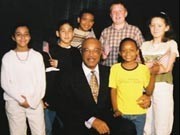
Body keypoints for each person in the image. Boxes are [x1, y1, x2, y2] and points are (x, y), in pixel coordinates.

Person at [56, 37, 140, 135]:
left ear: (101, 52)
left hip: (107, 120)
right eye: (87, 50)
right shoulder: (68, 75)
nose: (91, 55)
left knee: (127, 127)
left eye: (95, 50)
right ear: (81, 52)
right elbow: (64, 105)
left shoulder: (110, 72)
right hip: (80, 122)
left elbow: (128, 88)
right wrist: (92, 120)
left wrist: (146, 96)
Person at [1, 23, 46, 135]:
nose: (22, 38)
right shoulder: (7, 57)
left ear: (30, 37)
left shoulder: (37, 56)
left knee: (39, 132)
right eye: (18, 34)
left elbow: (41, 82)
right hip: (14, 102)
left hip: (34, 102)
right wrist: (21, 100)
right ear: (13, 37)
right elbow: (5, 83)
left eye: (26, 34)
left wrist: (32, 101)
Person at [109, 38, 159, 135]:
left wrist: (153, 74)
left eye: (131, 50)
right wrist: (115, 109)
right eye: (124, 50)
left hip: (139, 113)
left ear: (137, 52)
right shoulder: (115, 68)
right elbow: (113, 90)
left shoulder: (143, 69)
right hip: (122, 113)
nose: (128, 53)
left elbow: (148, 92)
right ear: (119, 53)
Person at [141, 12, 179, 135]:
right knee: (147, 122)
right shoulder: (144, 45)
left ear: (166, 27)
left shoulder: (171, 44)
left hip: (163, 86)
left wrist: (149, 66)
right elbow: (140, 68)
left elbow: (167, 68)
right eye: (152, 25)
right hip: (145, 87)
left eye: (159, 25)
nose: (155, 28)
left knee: (162, 122)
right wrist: (156, 64)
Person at [42, 19, 82, 135]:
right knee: (46, 130)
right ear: (57, 33)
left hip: (68, 101)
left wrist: (60, 64)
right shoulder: (50, 51)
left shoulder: (76, 53)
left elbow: (77, 72)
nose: (66, 34)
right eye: (63, 31)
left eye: (69, 31)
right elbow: (42, 77)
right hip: (49, 101)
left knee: (68, 130)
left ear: (73, 33)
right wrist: (42, 98)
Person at [99, 0, 144, 67]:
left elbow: (142, 52)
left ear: (125, 13)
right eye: (114, 11)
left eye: (120, 11)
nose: (117, 14)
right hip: (108, 70)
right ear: (111, 15)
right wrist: (103, 55)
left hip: (128, 71)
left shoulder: (135, 31)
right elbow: (98, 53)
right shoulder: (105, 32)